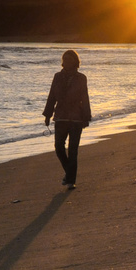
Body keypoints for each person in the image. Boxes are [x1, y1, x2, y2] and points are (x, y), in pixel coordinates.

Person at [43, 49, 91, 188]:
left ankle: (70, 181)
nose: (67, 62)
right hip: (60, 117)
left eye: (70, 59)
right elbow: (51, 96)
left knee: (73, 150)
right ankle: (69, 174)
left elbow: (85, 98)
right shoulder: (57, 76)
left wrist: (86, 117)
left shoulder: (81, 78)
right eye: (65, 59)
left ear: (76, 61)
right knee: (59, 148)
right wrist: (47, 114)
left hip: (76, 118)